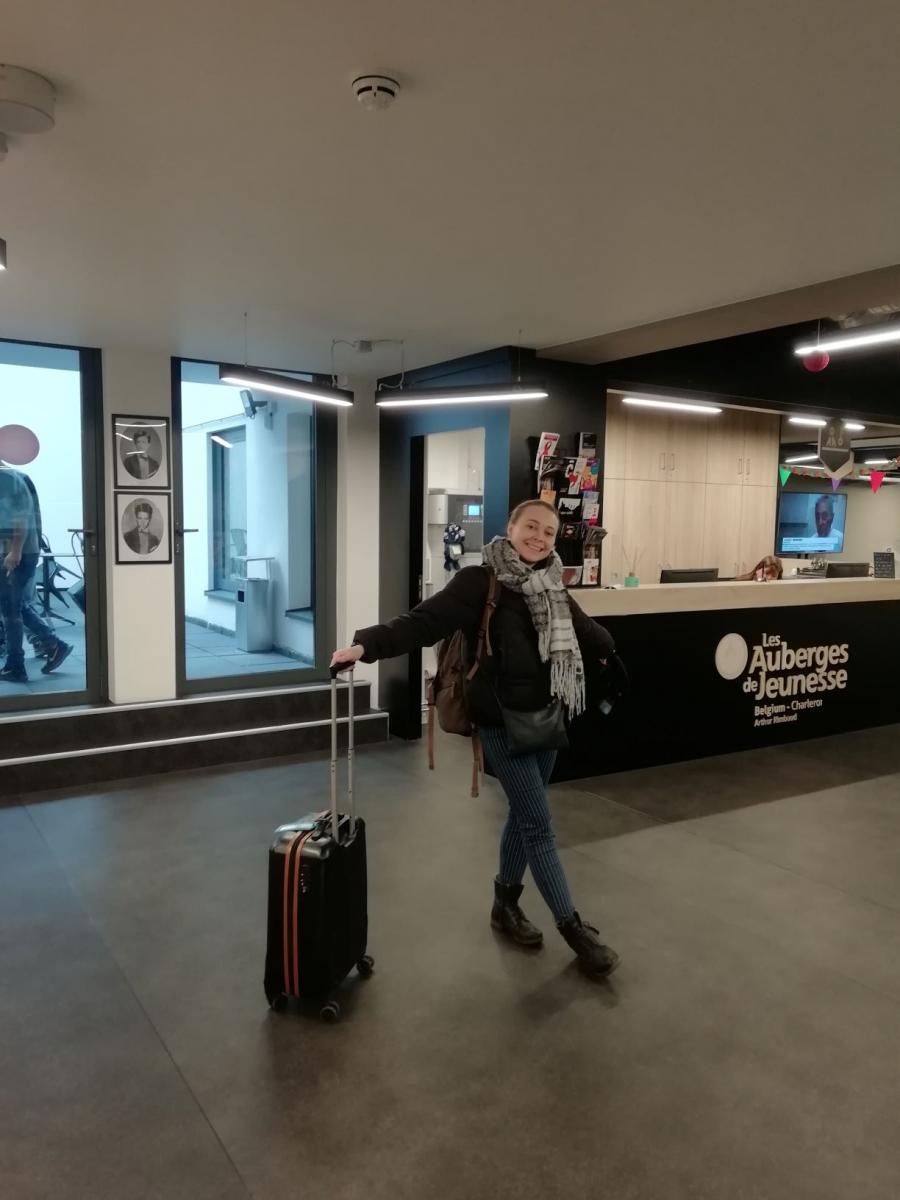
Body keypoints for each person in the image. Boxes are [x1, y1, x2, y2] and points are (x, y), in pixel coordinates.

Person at [331, 499, 621, 979]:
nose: (540, 538)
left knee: (525, 816)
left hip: (546, 718)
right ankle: (573, 929)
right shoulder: (478, 582)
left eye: (549, 533)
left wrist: (611, 653)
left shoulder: (552, 583)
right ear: (510, 528)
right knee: (539, 824)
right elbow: (422, 622)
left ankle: (504, 905)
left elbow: (584, 630)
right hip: (500, 723)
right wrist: (366, 645)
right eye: (532, 527)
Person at [0, 465, 73, 683]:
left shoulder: (6, 477)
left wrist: (15, 551)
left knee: (11, 610)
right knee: (15, 606)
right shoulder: (12, 475)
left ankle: (16, 666)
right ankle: (54, 645)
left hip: (16, 553)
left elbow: (20, 517)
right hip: (17, 551)